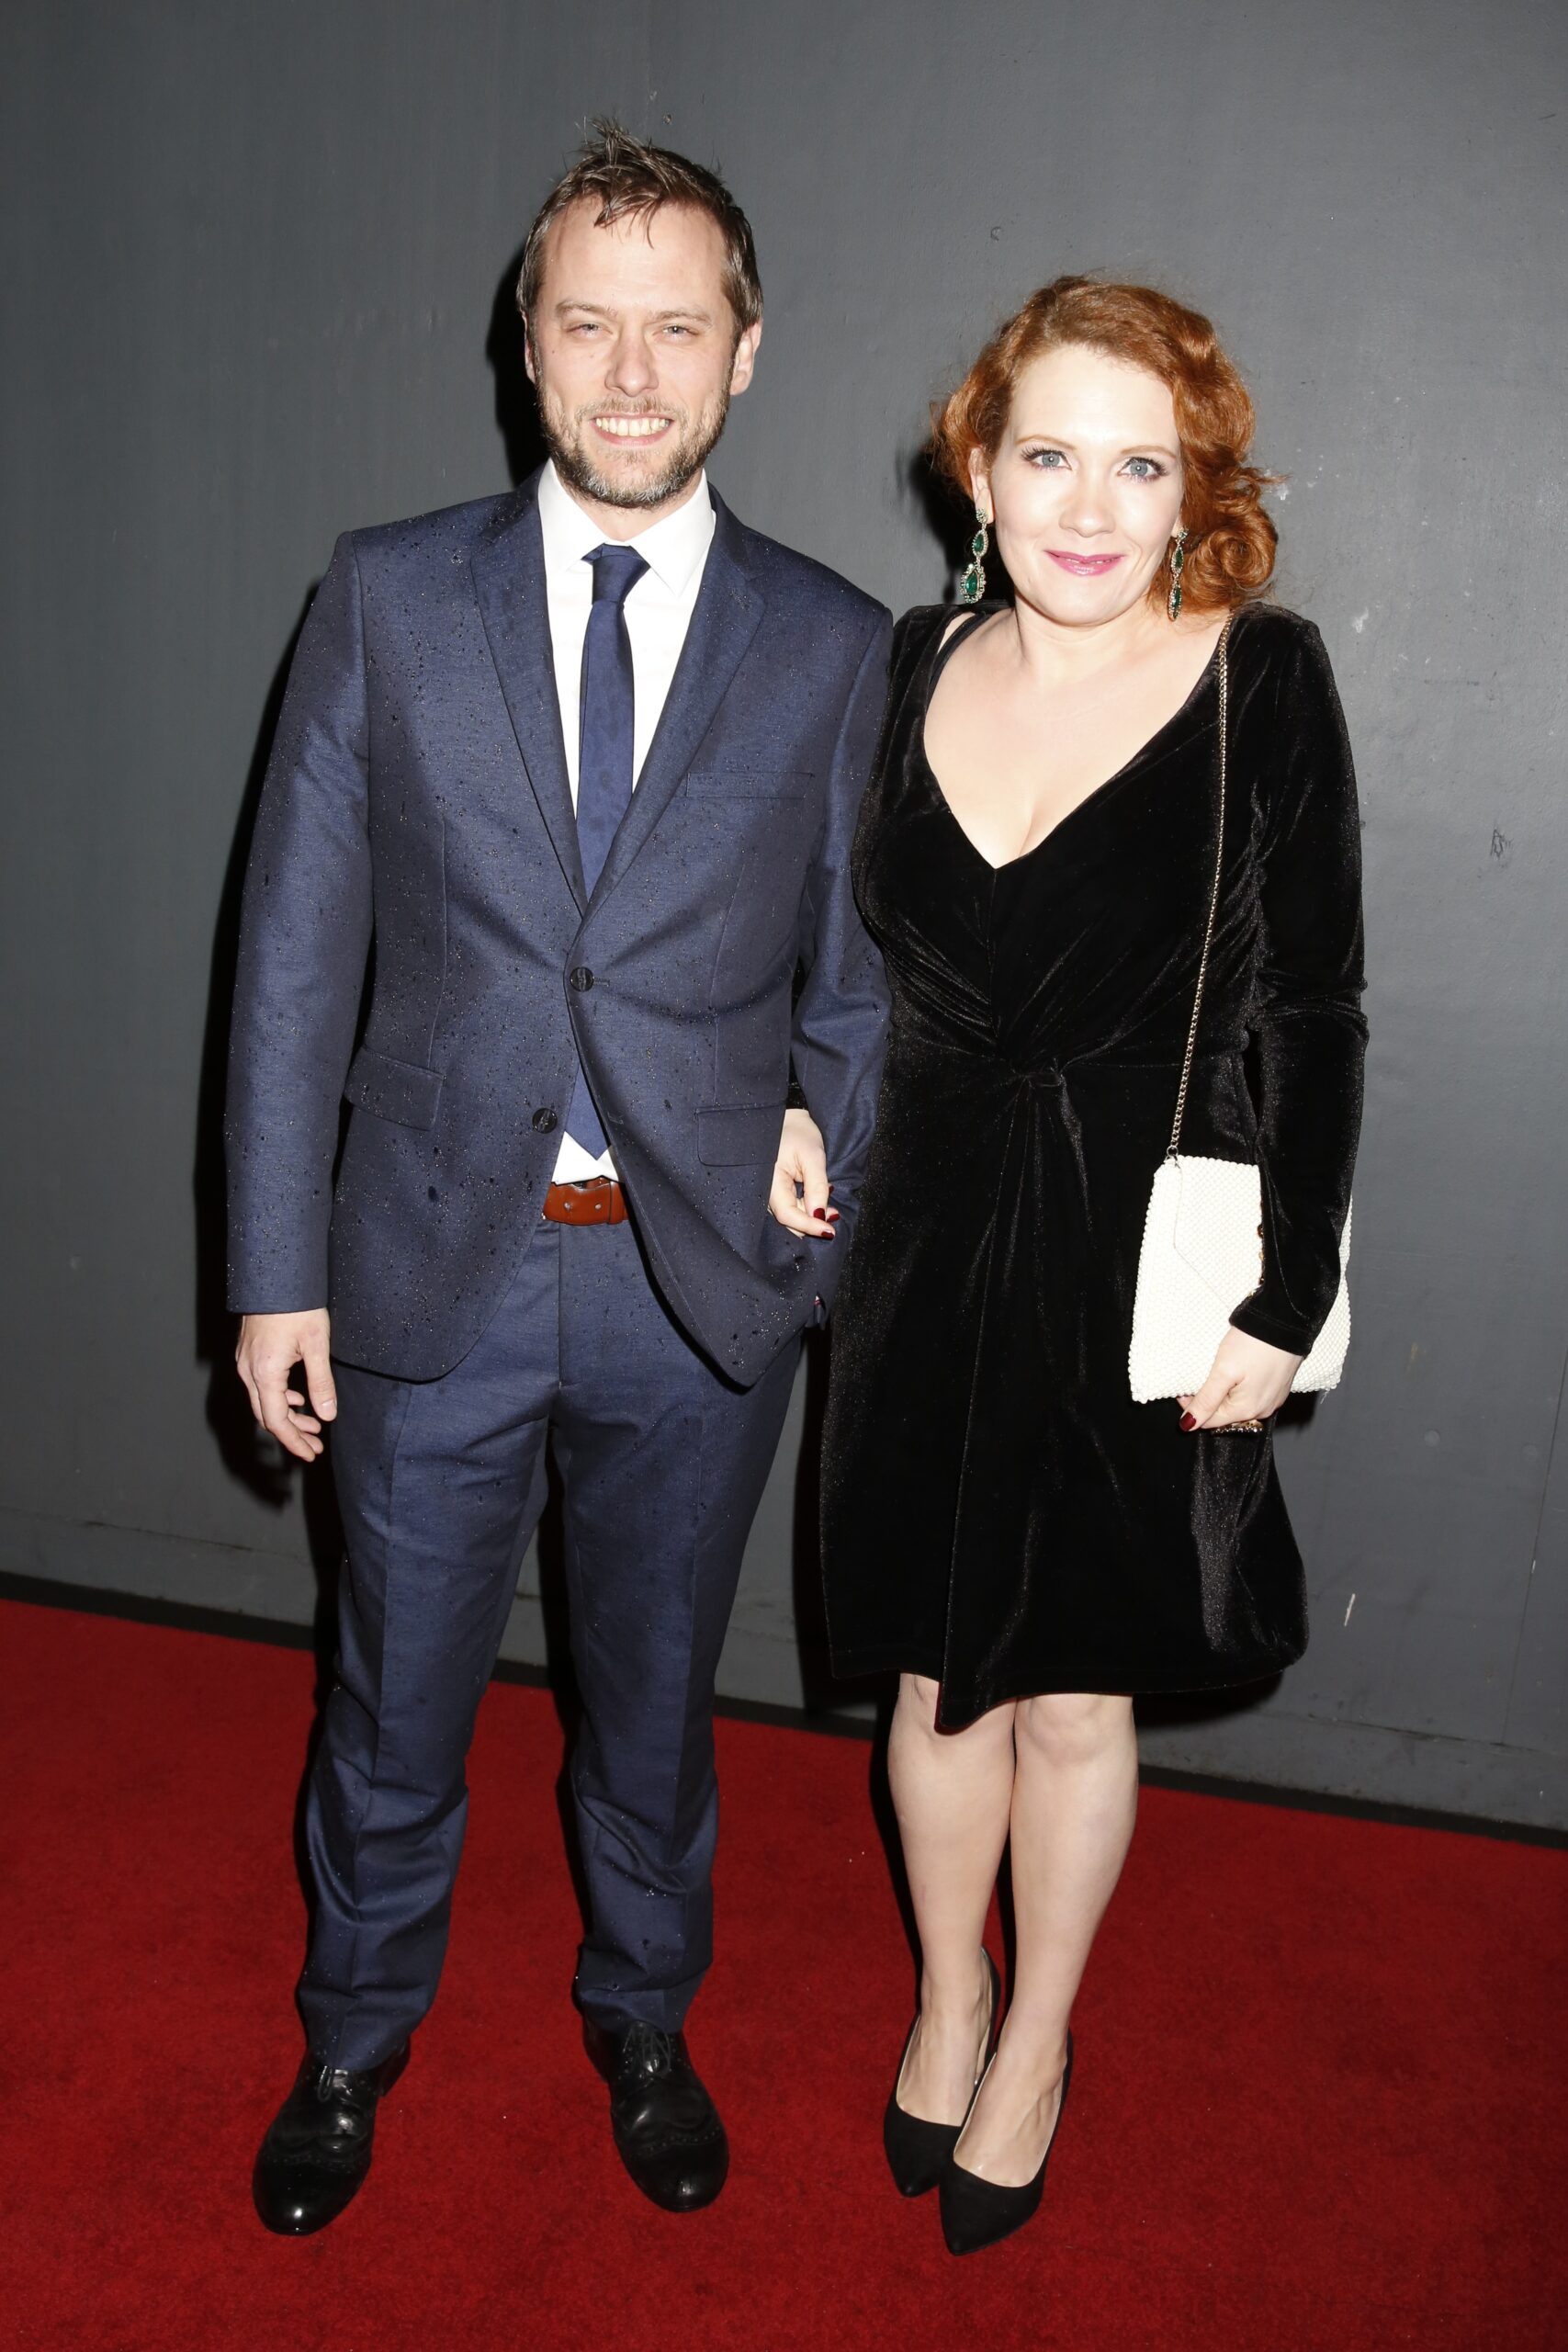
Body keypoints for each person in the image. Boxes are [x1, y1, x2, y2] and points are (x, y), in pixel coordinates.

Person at [227, 121, 891, 2234]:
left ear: (745, 350)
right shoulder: (384, 592)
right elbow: (291, 955)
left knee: (651, 1708)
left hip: (697, 1294)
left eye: (673, 327)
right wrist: (268, 1271)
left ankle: (643, 2008)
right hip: (427, 1268)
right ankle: (351, 2027)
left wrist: (824, 1160)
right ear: (524, 346)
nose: (629, 373)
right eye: (586, 323)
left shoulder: (832, 639)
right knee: (390, 1697)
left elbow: (864, 990)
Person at [820, 277, 1366, 2256]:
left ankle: (1035, 2032)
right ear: (978, 466)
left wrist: (1281, 1289)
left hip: (1138, 1250)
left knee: (1067, 1695)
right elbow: (834, 966)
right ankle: (945, 1985)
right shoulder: (904, 660)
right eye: (1045, 453)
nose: (1084, 501)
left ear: (1188, 490)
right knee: (927, 1678)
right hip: (922, 1236)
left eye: (1137, 464)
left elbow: (1314, 1007)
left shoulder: (1259, 678)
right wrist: (802, 1114)